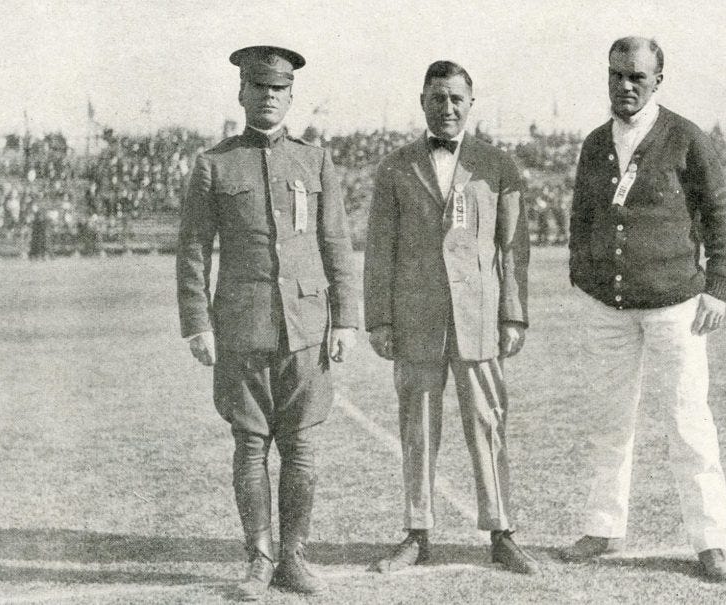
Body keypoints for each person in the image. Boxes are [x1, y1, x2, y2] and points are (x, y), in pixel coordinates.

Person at [175, 45, 359, 601]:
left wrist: (346, 319)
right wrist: (197, 323)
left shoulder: (315, 160)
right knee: (250, 443)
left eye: (279, 90)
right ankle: (259, 557)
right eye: (259, 88)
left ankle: (294, 557)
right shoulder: (214, 164)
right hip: (241, 325)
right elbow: (192, 249)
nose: (269, 97)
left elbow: (336, 243)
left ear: (291, 96)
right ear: (242, 93)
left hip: (306, 325)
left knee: (301, 445)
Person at [562, 37, 726, 582]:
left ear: (658, 80)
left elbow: (722, 214)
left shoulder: (686, 139)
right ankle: (604, 526)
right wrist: (582, 276)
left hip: (675, 308)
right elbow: (581, 217)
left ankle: (710, 541)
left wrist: (717, 286)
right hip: (608, 307)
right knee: (608, 420)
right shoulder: (594, 144)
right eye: (617, 75)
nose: (626, 85)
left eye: (637, 76)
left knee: (688, 421)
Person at [363, 60, 537, 575]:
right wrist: (379, 320)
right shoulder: (394, 167)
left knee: (488, 423)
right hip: (416, 318)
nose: (448, 108)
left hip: (480, 317)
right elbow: (379, 251)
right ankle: (417, 532)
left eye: (457, 99)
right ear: (422, 101)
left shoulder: (497, 165)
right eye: (438, 98)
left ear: (471, 104)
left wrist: (513, 316)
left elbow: (512, 250)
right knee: (417, 427)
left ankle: (501, 532)